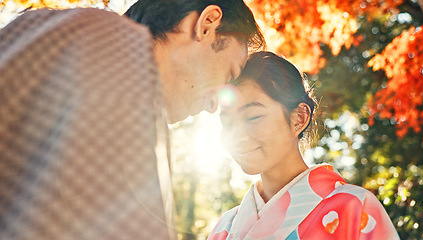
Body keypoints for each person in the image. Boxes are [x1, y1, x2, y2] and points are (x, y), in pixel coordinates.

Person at [0, 1, 264, 239]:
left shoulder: (58, 30)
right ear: (207, 25)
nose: (214, 105)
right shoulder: (121, 52)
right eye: (229, 75)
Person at [209, 51, 400, 240]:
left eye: (253, 117)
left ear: (299, 118)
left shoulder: (355, 207)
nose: (236, 136)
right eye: (227, 122)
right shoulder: (225, 227)